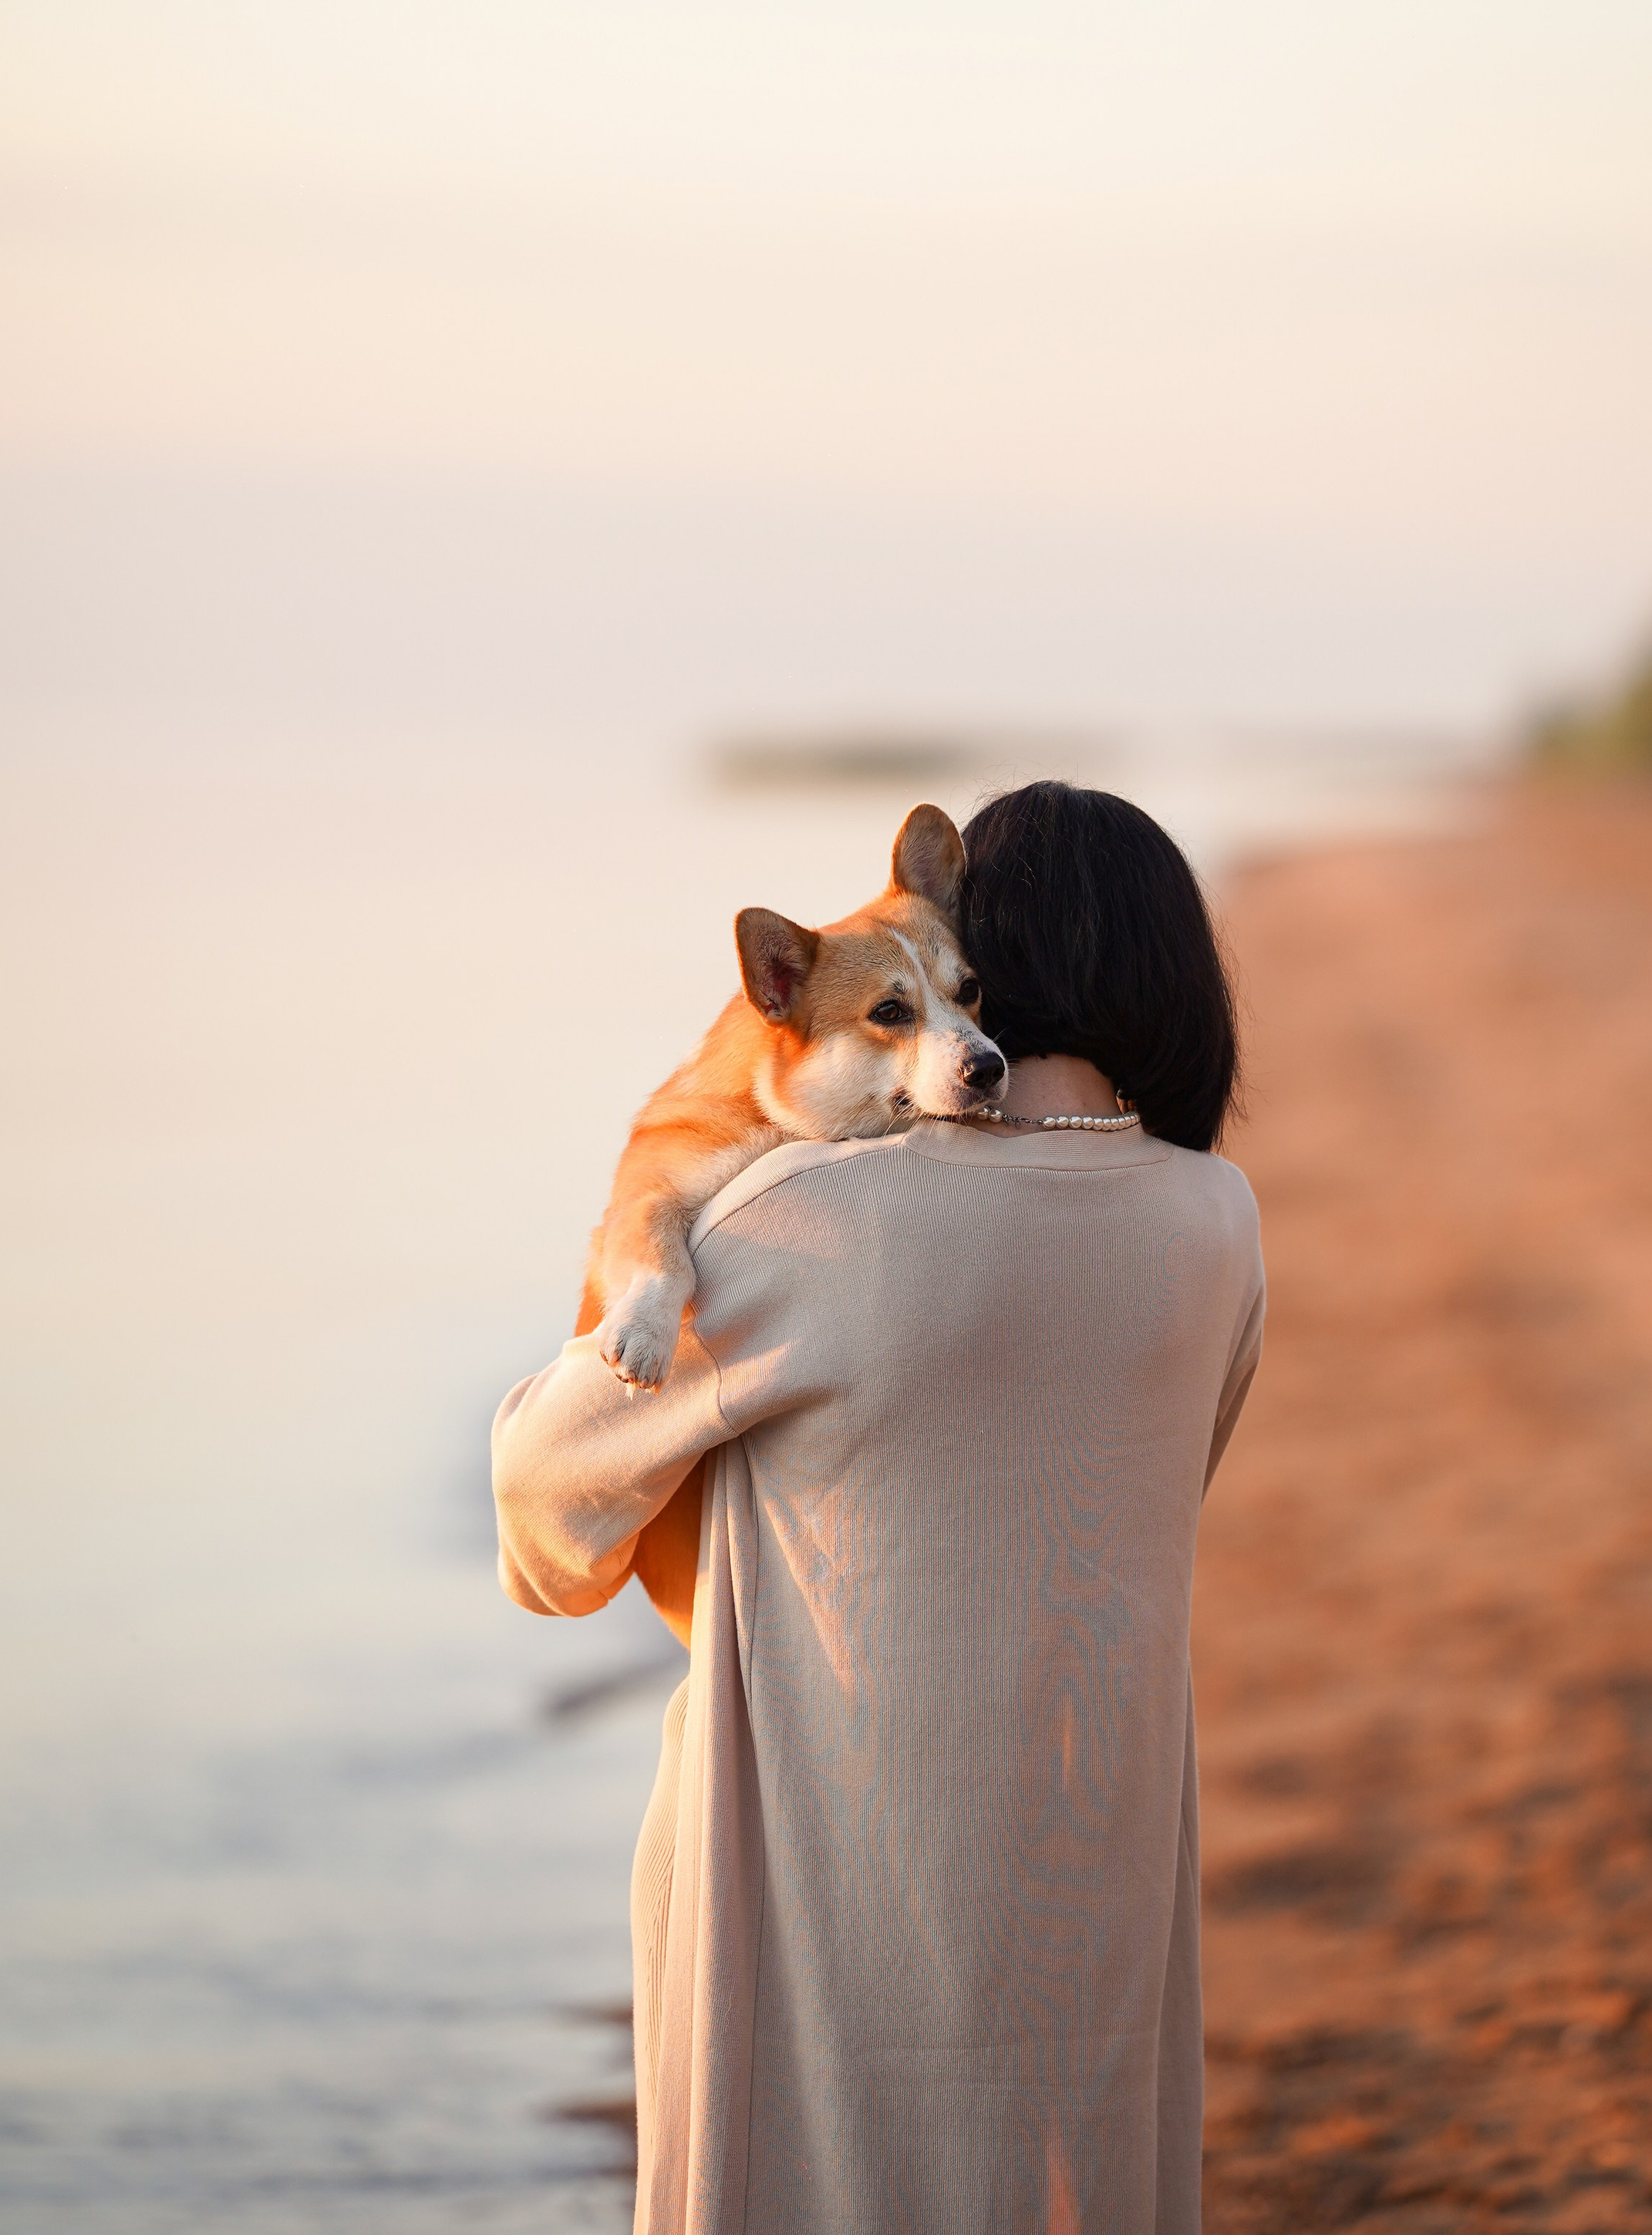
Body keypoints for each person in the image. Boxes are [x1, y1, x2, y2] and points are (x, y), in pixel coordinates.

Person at [492, 781, 1264, 2234]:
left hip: (823, 1880)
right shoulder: (1221, 1224)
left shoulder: (813, 1218)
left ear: (988, 965)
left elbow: (547, 1509)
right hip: (1087, 1863)